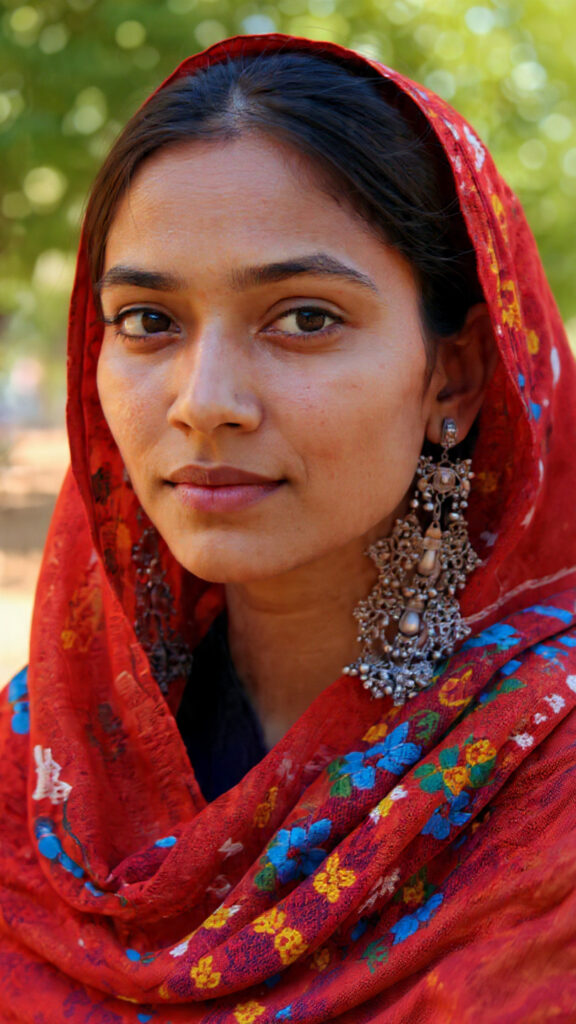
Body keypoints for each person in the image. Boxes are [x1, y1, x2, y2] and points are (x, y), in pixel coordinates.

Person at [1, 32, 575, 1024]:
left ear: (455, 377)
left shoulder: (548, 784)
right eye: (148, 320)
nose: (204, 401)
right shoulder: (48, 767)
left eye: (303, 317)